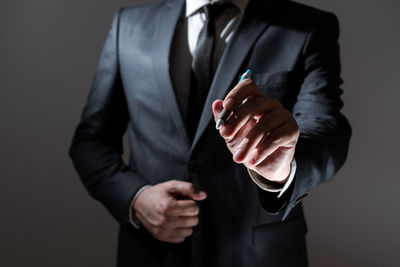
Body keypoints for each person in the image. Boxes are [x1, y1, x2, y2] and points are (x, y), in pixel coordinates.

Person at [69, 0, 351, 266]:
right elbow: (90, 142)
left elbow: (326, 128)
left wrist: (285, 169)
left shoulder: (308, 26)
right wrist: (136, 198)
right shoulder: (128, 26)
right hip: (152, 253)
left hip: (257, 255)